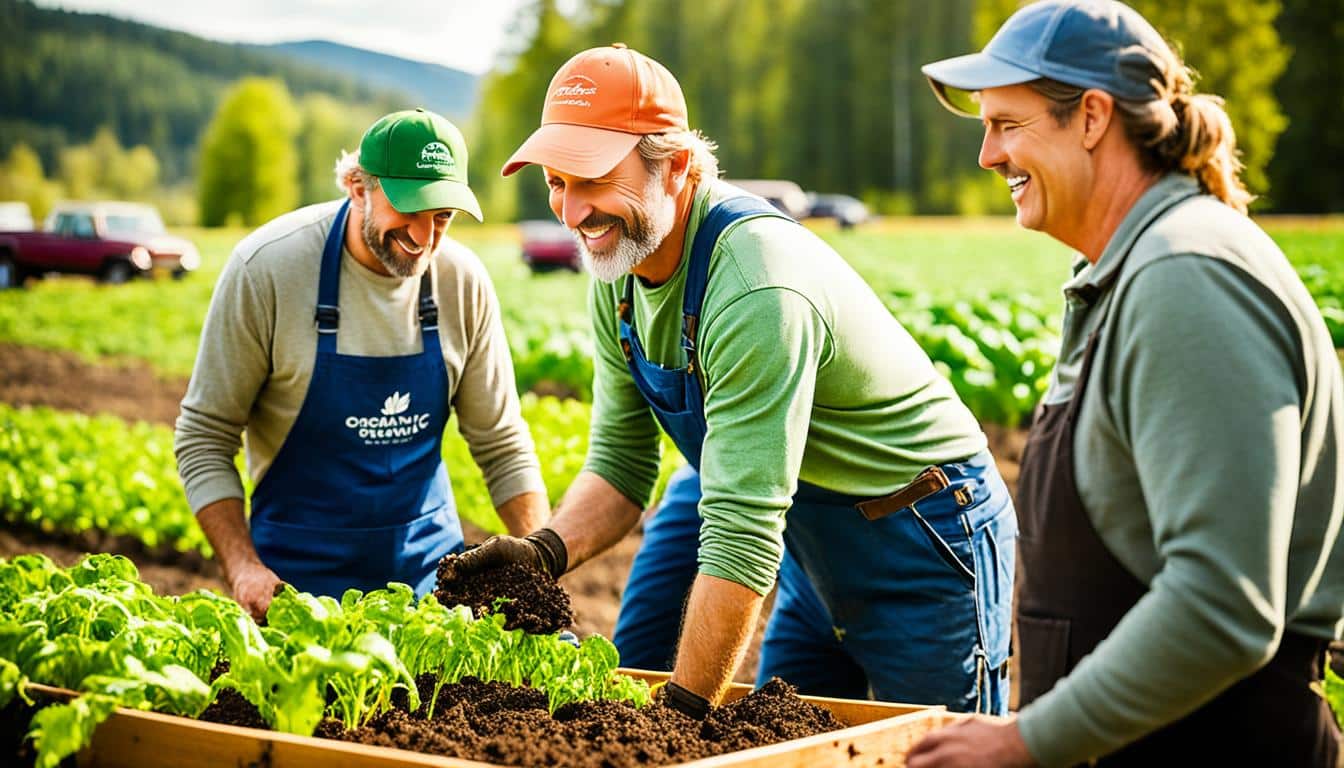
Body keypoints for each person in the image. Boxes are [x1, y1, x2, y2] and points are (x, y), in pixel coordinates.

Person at [441, 43, 1019, 718]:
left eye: (593, 179)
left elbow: (743, 527)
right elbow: (623, 463)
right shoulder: (620, 269)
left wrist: (676, 724)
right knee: (789, 741)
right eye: (556, 183)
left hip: (922, 536)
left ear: (678, 164)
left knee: (939, 754)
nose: (571, 213)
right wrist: (542, 552)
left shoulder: (754, 283)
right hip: (812, 541)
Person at [907, 2, 1344, 766]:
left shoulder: (1187, 278)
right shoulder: (1127, 271)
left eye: (1008, 124)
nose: (987, 155)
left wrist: (1026, 740)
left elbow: (1223, 604)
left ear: (1093, 117)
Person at [175, 109, 550, 621]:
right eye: (409, 209)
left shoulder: (461, 281)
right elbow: (204, 435)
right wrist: (243, 568)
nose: (424, 237)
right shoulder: (268, 269)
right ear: (357, 187)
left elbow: (502, 444)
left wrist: (540, 576)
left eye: (442, 215)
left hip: (428, 597)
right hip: (294, 595)